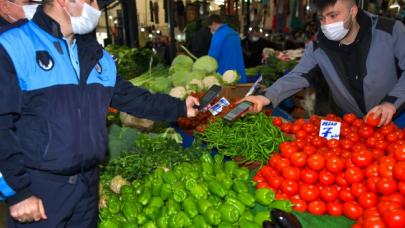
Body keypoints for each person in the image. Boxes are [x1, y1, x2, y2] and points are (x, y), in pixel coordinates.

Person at [0, 0, 200, 227]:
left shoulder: (96, 56)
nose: (96, 7)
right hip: (40, 189)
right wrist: (18, 192)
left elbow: (132, 98)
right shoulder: (13, 46)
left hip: (87, 186)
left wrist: (180, 107)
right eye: (91, 1)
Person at [243, 0, 405, 128]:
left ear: (353, 11)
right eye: (322, 18)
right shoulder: (319, 45)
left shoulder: (390, 31)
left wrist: (390, 103)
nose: (327, 24)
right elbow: (298, 75)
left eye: (333, 15)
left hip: (397, 118)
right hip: (353, 126)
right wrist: (266, 97)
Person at [207, 14, 247, 83]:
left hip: (225, 76)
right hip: (239, 75)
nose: (211, 30)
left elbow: (212, 58)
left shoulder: (218, 35)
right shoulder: (234, 33)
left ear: (214, 24)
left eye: (210, 27)